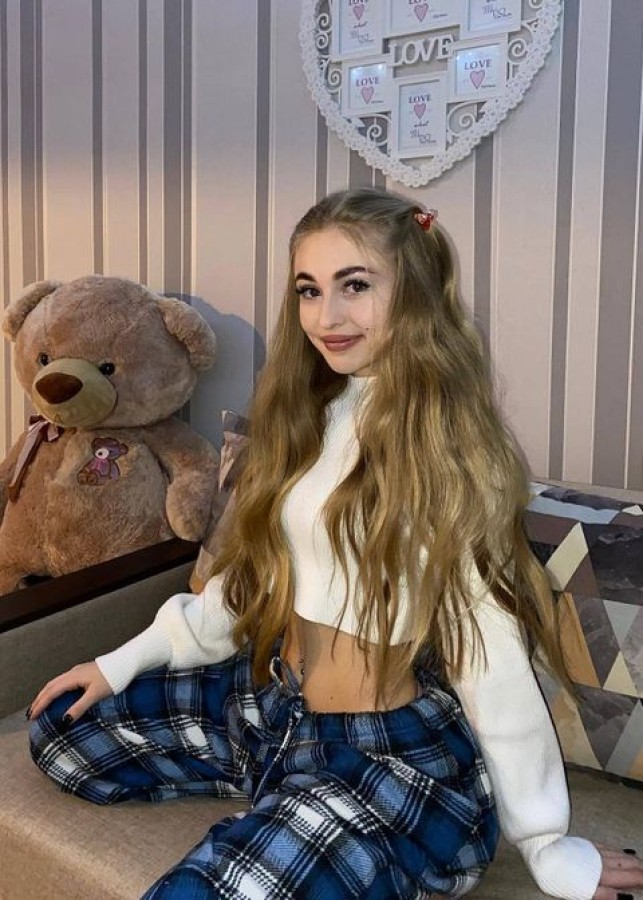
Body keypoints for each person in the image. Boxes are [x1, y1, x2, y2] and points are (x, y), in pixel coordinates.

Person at [28, 188, 642, 900]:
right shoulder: (308, 417)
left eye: (355, 286)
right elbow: (250, 584)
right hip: (271, 710)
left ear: (414, 291)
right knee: (62, 730)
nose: (326, 317)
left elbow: (488, 653)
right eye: (309, 290)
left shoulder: (444, 452)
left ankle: (317, 824)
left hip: (384, 755)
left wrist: (545, 841)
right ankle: (286, 802)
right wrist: (120, 662)